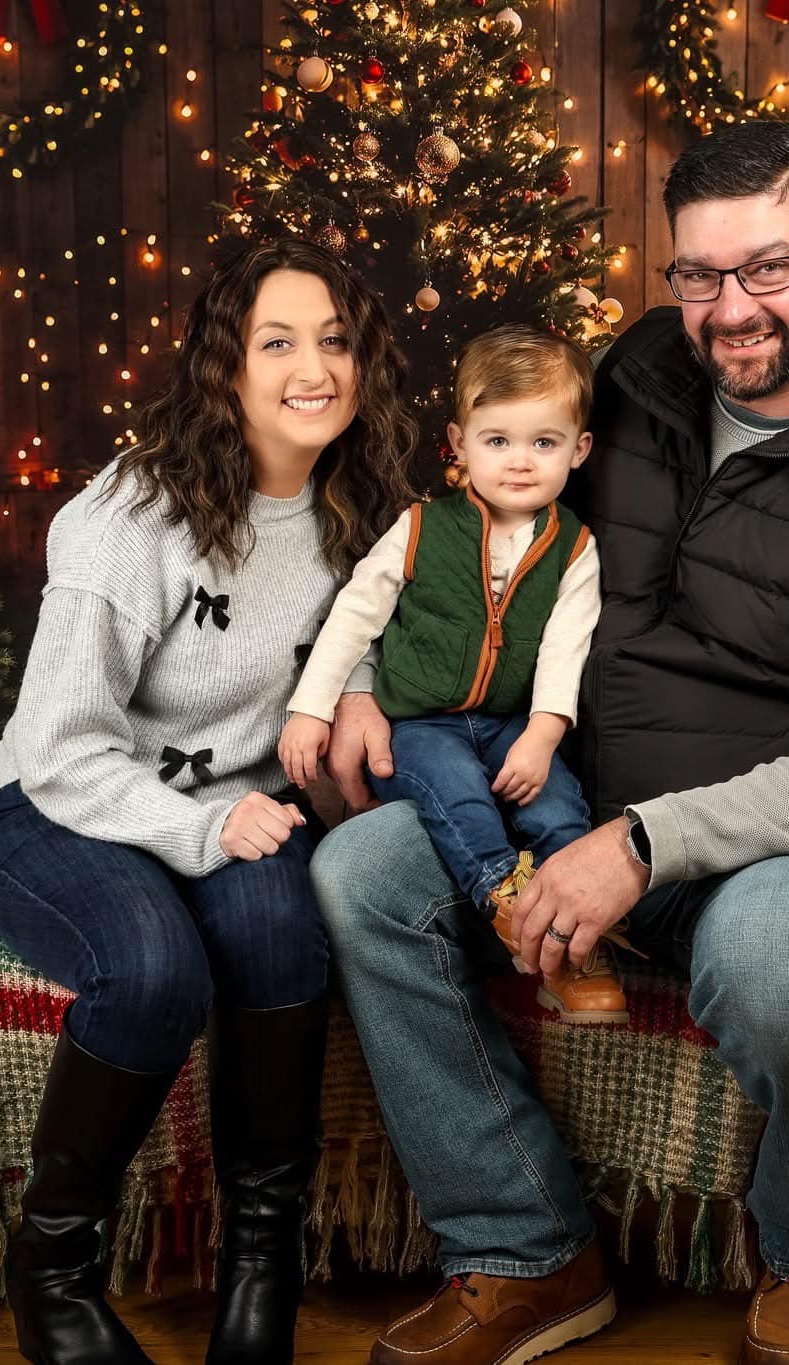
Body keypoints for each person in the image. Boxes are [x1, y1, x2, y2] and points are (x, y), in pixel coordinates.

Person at [311, 122, 789, 1365]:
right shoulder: (633, 380)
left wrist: (642, 845)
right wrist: (364, 680)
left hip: (785, 843)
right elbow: (484, 552)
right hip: (564, 798)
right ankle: (524, 1247)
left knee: (772, 966)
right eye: (696, 274)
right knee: (360, 875)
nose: (726, 309)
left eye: (765, 269)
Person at [0, 237, 417, 1365]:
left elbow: (358, 631)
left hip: (240, 803)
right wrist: (202, 827)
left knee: (279, 931)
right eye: (277, 343)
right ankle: (51, 1268)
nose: (312, 370)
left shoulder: (366, 505)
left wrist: (358, 691)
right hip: (57, 807)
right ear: (224, 366)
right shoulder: (130, 516)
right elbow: (64, 746)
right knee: (155, 970)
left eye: (334, 342)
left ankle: (260, 1266)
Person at [279, 325, 624, 1024]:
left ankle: (580, 942)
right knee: (458, 793)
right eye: (497, 441)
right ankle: (506, 903)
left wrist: (541, 734)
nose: (520, 462)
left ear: (579, 449)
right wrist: (313, 708)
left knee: (558, 804)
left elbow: (566, 648)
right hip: (420, 725)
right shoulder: (420, 527)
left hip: (508, 723)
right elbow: (353, 617)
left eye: (544, 443)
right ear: (460, 444)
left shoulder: (574, 548)